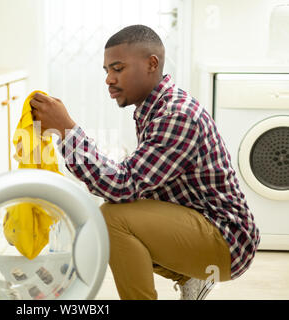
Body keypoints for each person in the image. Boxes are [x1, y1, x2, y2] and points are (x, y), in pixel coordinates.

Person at [30, 24, 260, 300]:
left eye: (118, 69)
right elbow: (134, 182)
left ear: (152, 64)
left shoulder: (176, 114)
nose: (109, 80)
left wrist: (66, 130)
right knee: (114, 215)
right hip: (206, 226)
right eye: (106, 71)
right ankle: (190, 277)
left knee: (113, 219)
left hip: (227, 240)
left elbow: (123, 185)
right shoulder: (154, 108)